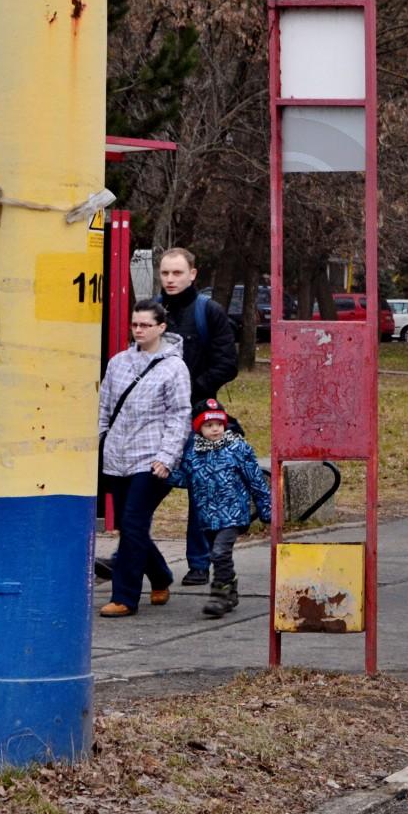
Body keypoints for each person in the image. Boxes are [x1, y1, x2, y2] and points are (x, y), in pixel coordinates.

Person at [96, 299, 193, 616]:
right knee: (129, 526)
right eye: (134, 324)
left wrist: (167, 456)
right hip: (116, 457)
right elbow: (105, 407)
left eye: (145, 325)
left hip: (151, 459)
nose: (138, 330)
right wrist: (100, 442)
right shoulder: (118, 362)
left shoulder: (174, 367)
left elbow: (179, 416)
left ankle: (124, 597)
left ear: (161, 327)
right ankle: (162, 575)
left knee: (134, 523)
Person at [156, 247, 239, 586]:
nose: (171, 280)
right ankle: (132, 553)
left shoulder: (209, 312)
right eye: (165, 273)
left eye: (177, 273)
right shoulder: (152, 311)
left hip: (197, 415)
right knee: (145, 484)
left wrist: (192, 391)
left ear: (193, 274)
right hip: (155, 417)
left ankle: (199, 561)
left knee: (201, 488)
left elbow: (226, 364)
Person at [167, 398, 272, 618]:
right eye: (208, 425)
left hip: (233, 514)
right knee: (220, 555)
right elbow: (186, 479)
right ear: (198, 428)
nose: (215, 429)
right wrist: (165, 474)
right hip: (206, 517)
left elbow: (256, 480)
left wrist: (266, 508)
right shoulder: (194, 453)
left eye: (219, 424)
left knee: (219, 552)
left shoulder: (237, 448)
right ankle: (231, 585)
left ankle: (219, 594)